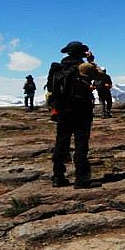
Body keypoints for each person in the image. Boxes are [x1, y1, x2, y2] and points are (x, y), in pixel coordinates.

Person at [49, 41, 104, 189]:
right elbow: (101, 76)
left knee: (61, 141)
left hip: (62, 110)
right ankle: (81, 179)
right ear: (82, 53)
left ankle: (58, 177)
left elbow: (51, 88)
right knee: (81, 142)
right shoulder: (84, 66)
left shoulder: (57, 68)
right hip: (81, 109)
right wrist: (91, 61)